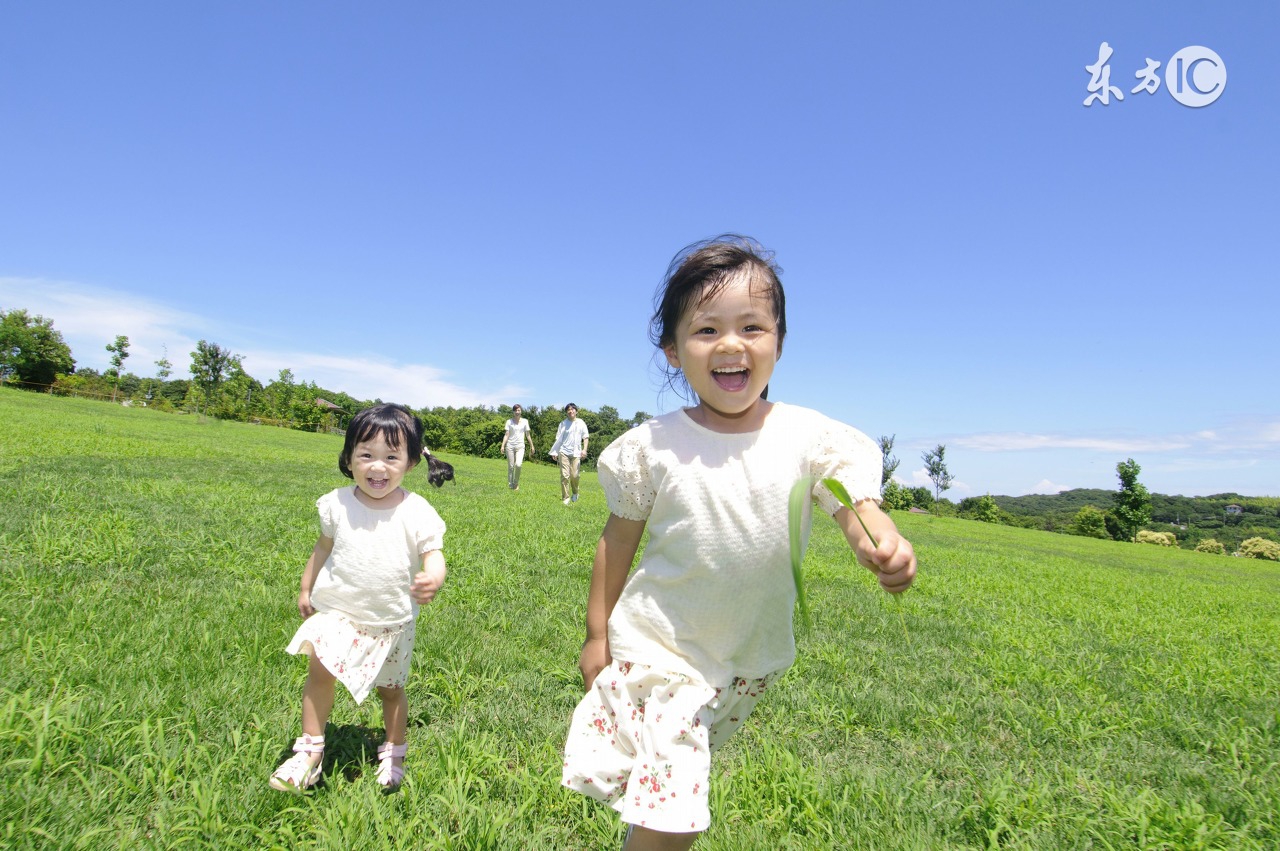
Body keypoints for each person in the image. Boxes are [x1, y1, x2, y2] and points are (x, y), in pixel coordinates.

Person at [561, 236, 917, 850]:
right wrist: (598, 635)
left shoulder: (809, 437)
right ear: (674, 351)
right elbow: (616, 543)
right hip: (660, 650)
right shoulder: (652, 447)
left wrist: (881, 542)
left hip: (746, 659)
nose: (731, 343)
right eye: (707, 330)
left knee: (664, 786)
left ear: (779, 340)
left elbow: (856, 507)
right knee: (674, 812)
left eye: (752, 326)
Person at [270, 403, 448, 793]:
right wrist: (306, 587)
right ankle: (310, 752)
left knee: (391, 690)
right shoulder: (336, 504)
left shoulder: (416, 510)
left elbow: (434, 555)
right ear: (349, 457)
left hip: (391, 620)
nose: (377, 467)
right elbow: (322, 548)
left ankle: (394, 750)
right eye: (366, 454)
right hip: (338, 611)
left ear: (411, 462)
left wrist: (433, 578)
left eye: (391, 457)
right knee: (319, 671)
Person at [548, 402, 589, 504]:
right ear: (566, 412)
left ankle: (575, 492)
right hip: (564, 452)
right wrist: (555, 452)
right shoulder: (562, 424)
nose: (570, 411)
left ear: (576, 411)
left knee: (575, 475)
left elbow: (585, 437)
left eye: (572, 409)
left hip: (576, 453)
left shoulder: (581, 423)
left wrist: (584, 450)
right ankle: (565, 497)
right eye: (568, 410)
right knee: (565, 475)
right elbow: (558, 439)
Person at [501, 405, 536, 490]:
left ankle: (516, 483)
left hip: (520, 446)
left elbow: (528, 435)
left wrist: (532, 446)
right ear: (513, 412)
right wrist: (503, 445)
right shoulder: (509, 422)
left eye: (518, 410)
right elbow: (506, 435)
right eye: (515, 410)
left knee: (518, 464)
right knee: (511, 466)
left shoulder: (525, 421)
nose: (517, 412)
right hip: (510, 446)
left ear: (521, 411)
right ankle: (510, 485)